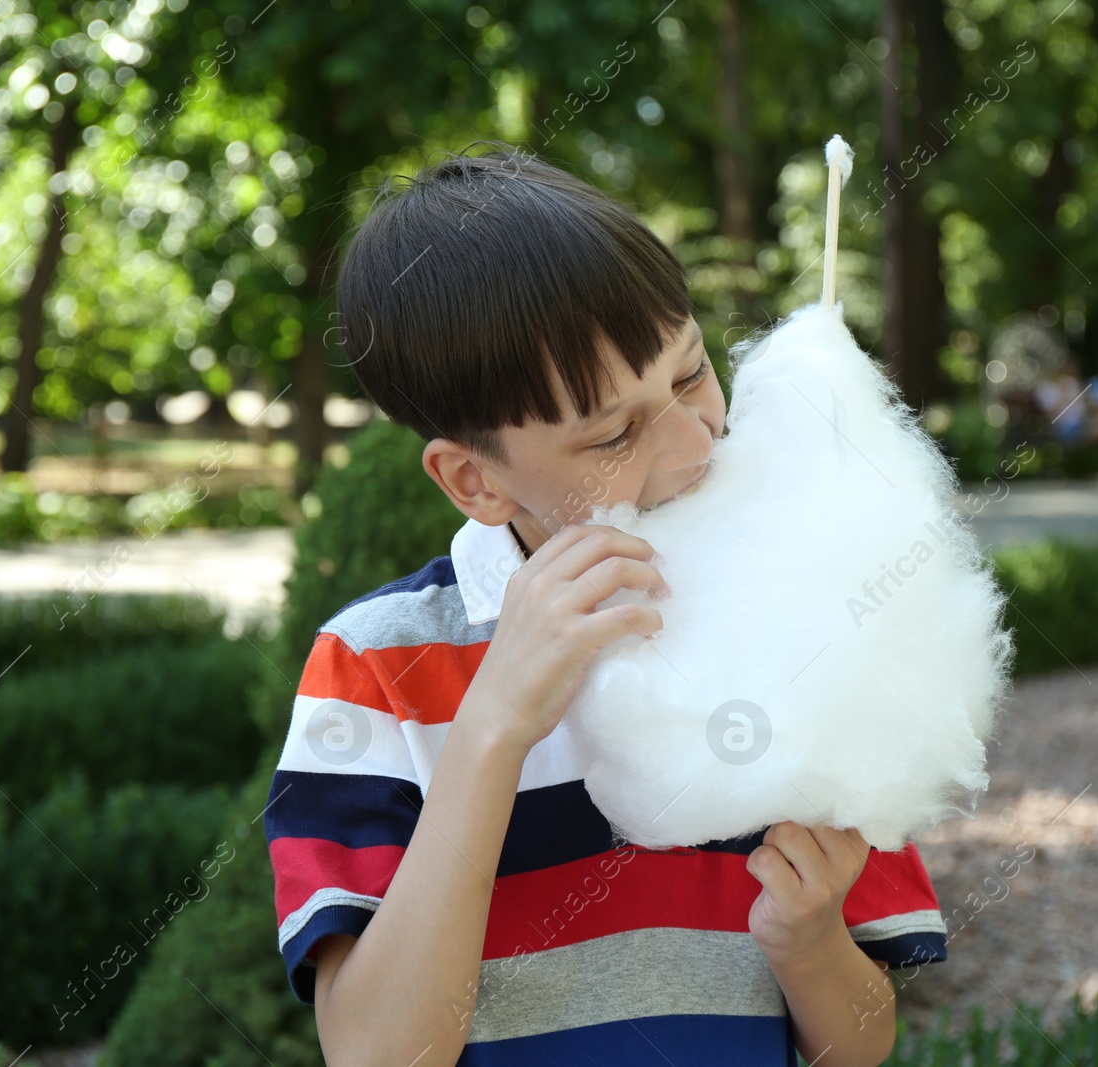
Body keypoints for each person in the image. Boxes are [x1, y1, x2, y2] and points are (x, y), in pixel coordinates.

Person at [264, 146, 949, 1067]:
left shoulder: (808, 618)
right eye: (615, 432)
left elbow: (862, 1047)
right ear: (474, 479)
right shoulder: (377, 665)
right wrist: (494, 725)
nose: (692, 447)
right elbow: (378, 1054)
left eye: (692, 373)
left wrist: (811, 941)